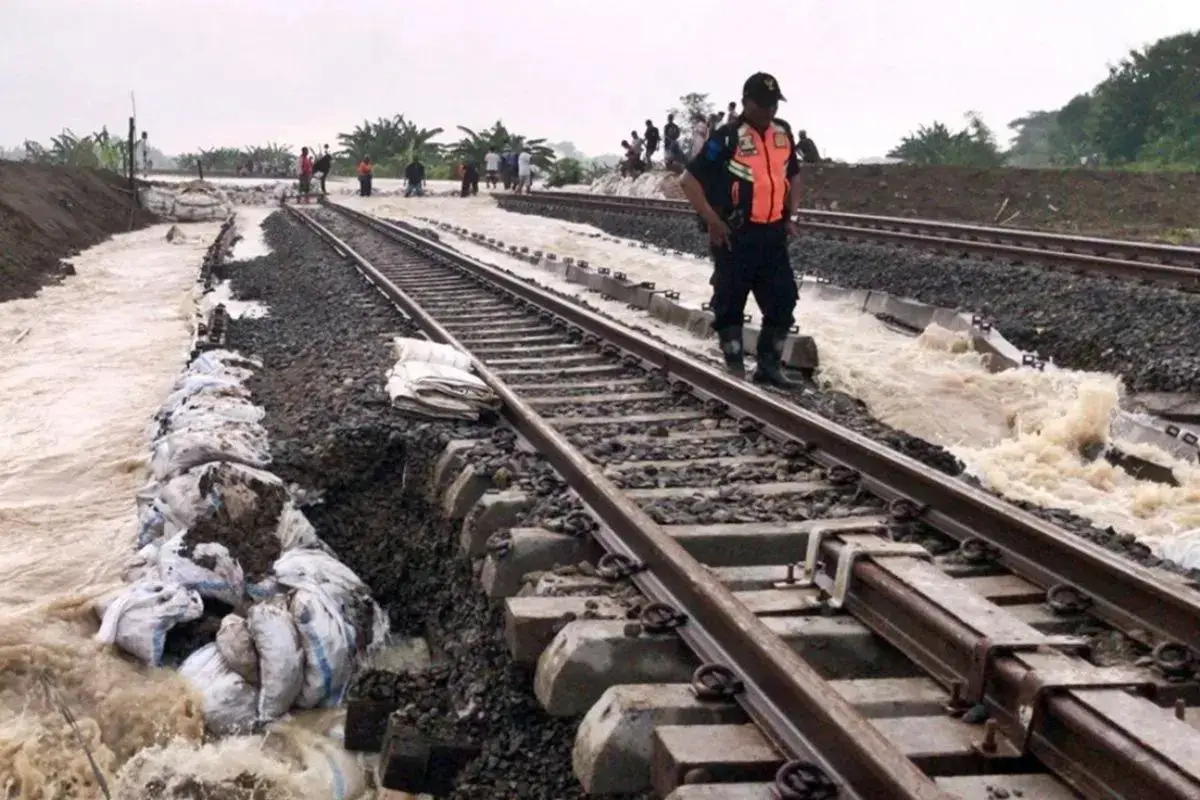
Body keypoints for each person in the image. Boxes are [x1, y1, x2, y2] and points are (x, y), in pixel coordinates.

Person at [679, 72, 803, 388]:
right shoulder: (726, 137)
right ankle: (734, 366)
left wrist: (793, 216)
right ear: (746, 102)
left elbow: (795, 175)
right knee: (730, 300)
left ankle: (768, 366)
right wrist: (711, 219)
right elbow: (688, 181)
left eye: (773, 104)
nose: (769, 111)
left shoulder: (782, 133)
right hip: (735, 234)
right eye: (762, 104)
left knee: (784, 298)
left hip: (773, 234)